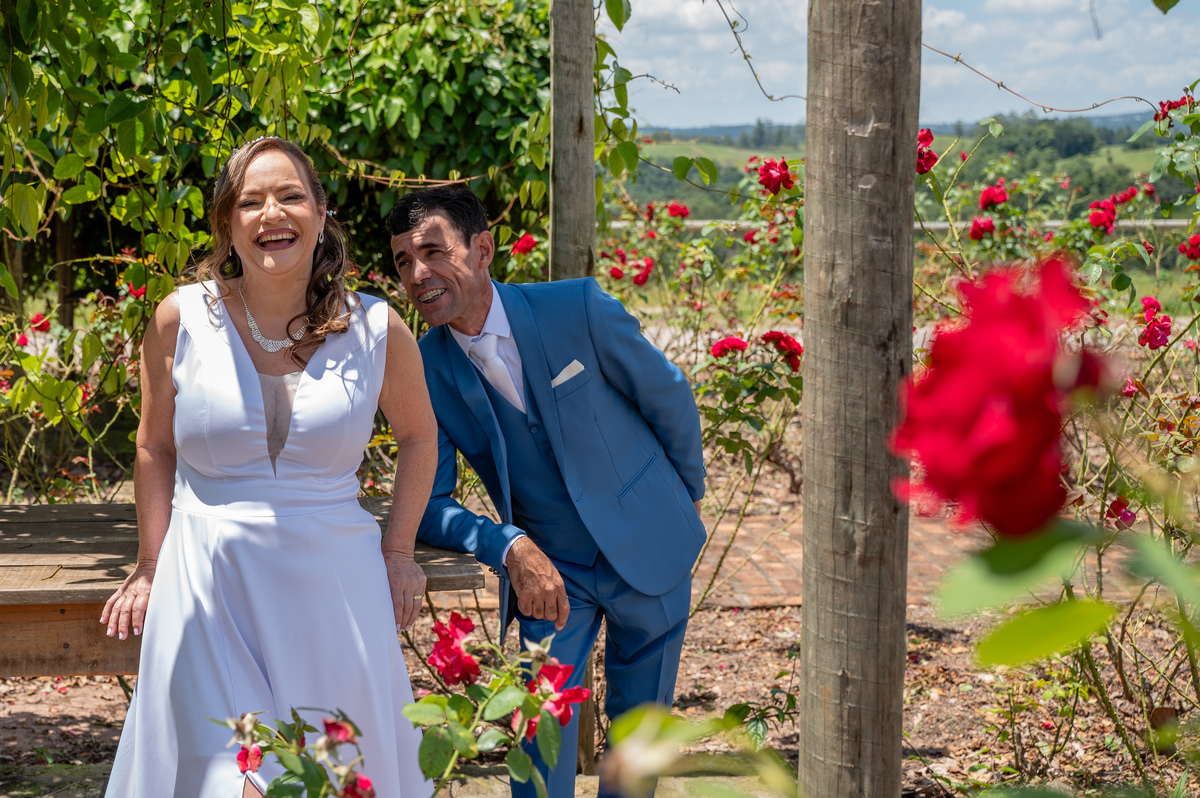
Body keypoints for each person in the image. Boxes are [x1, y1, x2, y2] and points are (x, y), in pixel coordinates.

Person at [101, 137, 436, 798]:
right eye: (250, 201)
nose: (270, 214)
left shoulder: (377, 328)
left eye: (289, 196)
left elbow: (420, 437)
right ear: (227, 223)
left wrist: (398, 552)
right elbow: (155, 446)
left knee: (335, 774)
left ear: (320, 212)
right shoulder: (180, 319)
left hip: (335, 594)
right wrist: (149, 564)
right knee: (232, 781)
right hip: (209, 589)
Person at [387, 187, 706, 798]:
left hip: (651, 539)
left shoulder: (577, 307)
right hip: (551, 574)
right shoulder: (424, 368)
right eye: (404, 261)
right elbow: (428, 503)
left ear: (483, 249)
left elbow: (666, 394)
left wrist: (687, 495)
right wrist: (508, 545)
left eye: (433, 251)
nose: (418, 273)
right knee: (538, 741)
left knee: (639, 744)